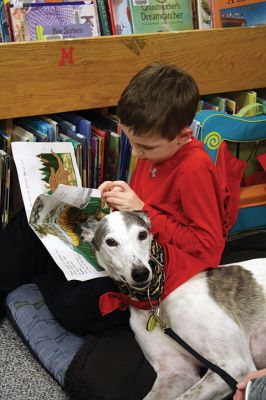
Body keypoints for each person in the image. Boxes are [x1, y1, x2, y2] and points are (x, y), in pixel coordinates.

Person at [0, 63, 233, 399]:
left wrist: (142, 209)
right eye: (132, 143)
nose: (137, 154)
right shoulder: (154, 148)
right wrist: (109, 202)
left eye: (146, 149)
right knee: (32, 220)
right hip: (122, 247)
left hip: (157, 276)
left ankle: (40, 273)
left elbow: (207, 252)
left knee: (76, 307)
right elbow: (137, 211)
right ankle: (32, 272)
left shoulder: (195, 170)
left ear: (184, 136)